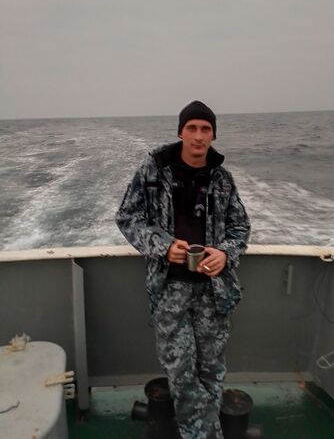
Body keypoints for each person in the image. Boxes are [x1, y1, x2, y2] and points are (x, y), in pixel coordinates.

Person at [115, 100, 250, 439]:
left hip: (213, 291)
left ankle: (201, 431)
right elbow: (127, 217)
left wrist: (225, 253)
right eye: (192, 128)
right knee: (181, 372)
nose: (199, 136)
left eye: (206, 129)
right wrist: (163, 245)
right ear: (180, 132)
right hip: (169, 289)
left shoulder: (223, 179)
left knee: (211, 371)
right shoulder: (153, 172)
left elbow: (240, 228)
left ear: (213, 135)